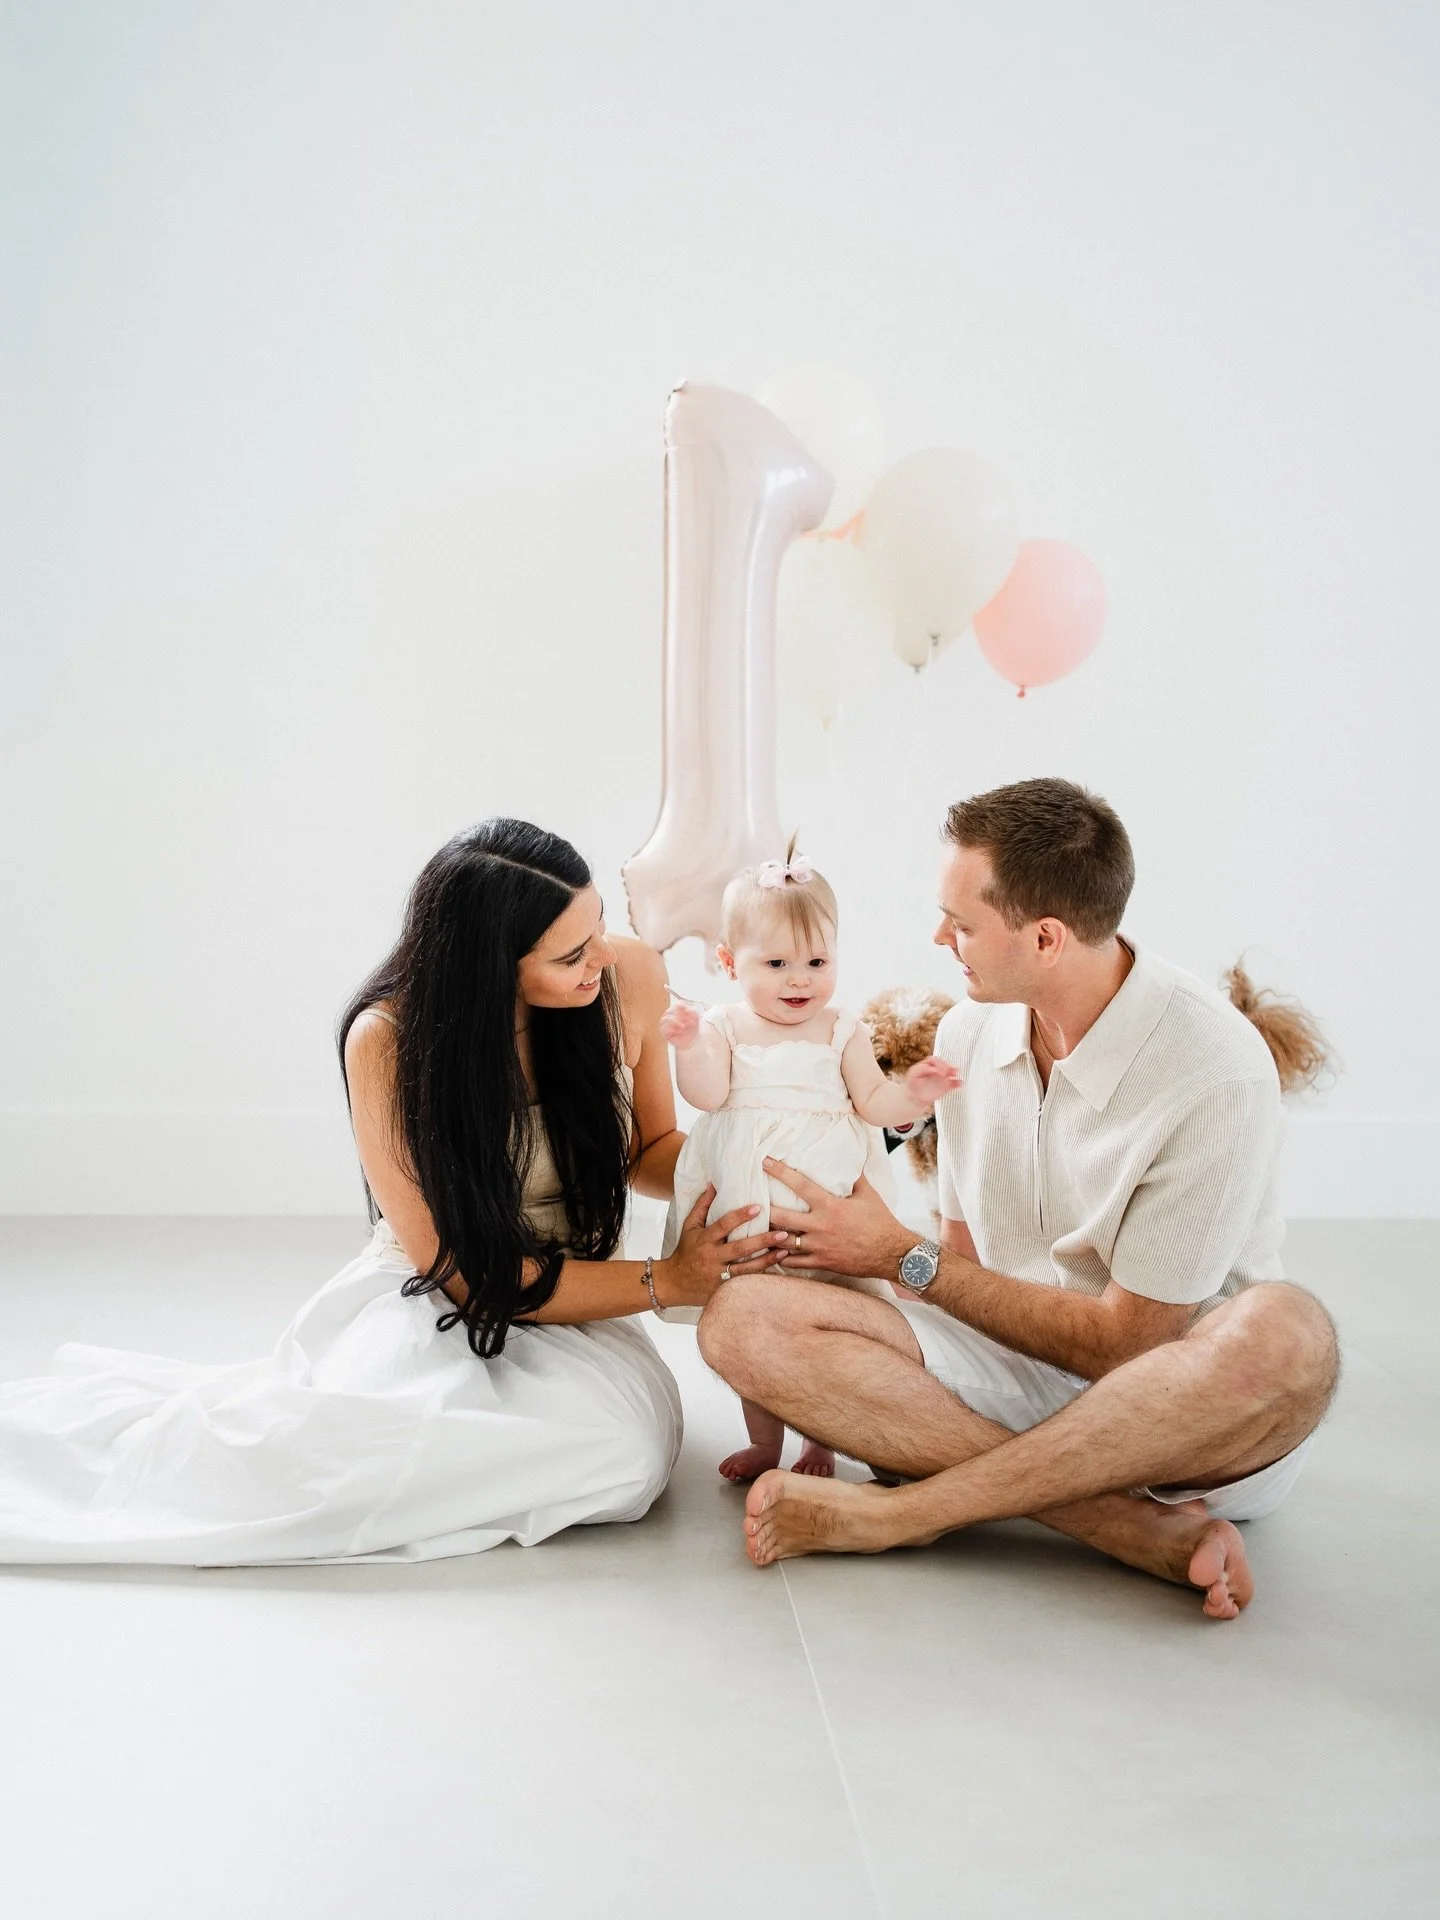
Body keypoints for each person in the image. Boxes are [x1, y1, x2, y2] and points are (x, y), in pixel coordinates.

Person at [0, 819, 784, 1566]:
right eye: (569, 955)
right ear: (490, 965)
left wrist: (758, 1175)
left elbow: (649, 1150)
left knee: (627, 1457)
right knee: (320, 1455)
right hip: (445, 1294)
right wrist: (664, 1282)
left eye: (599, 927)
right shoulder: (388, 1039)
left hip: (583, 1298)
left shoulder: (627, 976)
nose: (600, 961)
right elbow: (465, 1272)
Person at [697, 779, 1339, 1620]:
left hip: (1177, 1411)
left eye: (961, 924)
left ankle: (907, 1514)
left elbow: (1125, 1350)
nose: (939, 938)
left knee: (1290, 1333)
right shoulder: (971, 1031)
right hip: (1014, 1371)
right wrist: (852, 1275)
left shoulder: (1217, 1070)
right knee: (740, 1319)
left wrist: (894, 1254)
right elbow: (961, 1269)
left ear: (1044, 938)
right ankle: (1118, 1528)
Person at [657, 840, 960, 1481]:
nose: (801, 979)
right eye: (777, 962)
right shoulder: (727, 1026)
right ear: (727, 963)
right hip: (751, 1217)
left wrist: (916, 1093)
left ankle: (819, 1442)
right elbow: (707, 1095)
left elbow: (875, 1101)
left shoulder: (841, 1028)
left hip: (830, 1221)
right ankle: (766, 1444)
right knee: (754, 1329)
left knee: (828, 1336)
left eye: (817, 961)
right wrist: (686, 1045)